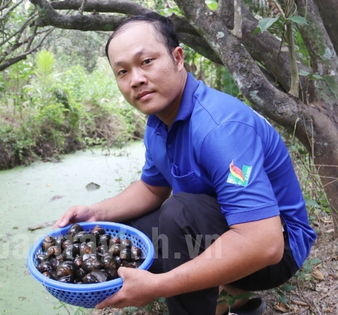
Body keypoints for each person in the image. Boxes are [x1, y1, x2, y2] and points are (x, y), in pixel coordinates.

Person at [54, 12, 316, 315]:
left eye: (146, 62)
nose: (136, 79)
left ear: (178, 58)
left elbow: (264, 244)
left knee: (179, 213)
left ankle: (218, 297)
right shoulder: (157, 123)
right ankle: (233, 301)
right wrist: (95, 212)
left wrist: (161, 285)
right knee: (118, 231)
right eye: (122, 72)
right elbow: (152, 190)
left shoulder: (220, 129)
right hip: (227, 226)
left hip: (277, 250)